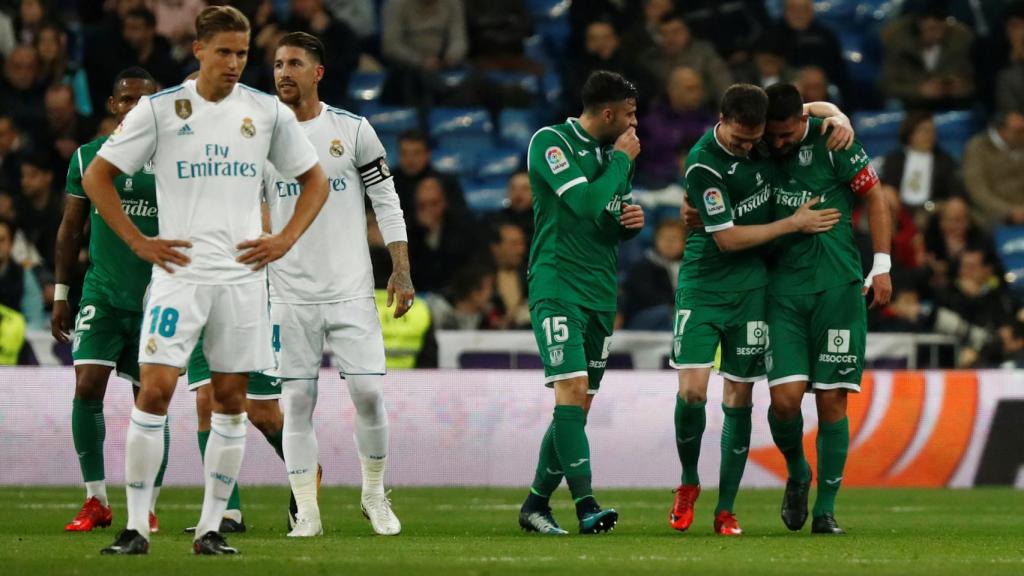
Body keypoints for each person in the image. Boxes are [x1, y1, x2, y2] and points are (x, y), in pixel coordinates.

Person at [84, 6, 328, 555]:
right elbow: (99, 174)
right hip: (180, 277)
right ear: (198, 50)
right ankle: (137, 527)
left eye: (243, 54)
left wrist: (285, 239)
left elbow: (315, 180)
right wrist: (138, 242)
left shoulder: (265, 113)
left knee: (231, 399)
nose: (235, 63)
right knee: (155, 390)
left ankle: (212, 528)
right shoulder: (160, 109)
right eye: (225, 52)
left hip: (241, 281)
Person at [671, 84, 852, 536]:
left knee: (740, 396)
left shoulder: (769, 138)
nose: (751, 148)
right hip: (704, 284)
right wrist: (792, 223)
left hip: (755, 288)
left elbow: (810, 109)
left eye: (756, 139)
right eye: (741, 140)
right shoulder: (703, 162)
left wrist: (841, 116)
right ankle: (689, 482)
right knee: (693, 391)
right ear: (721, 118)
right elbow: (727, 239)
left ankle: (725, 510)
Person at [262, 31, 411, 537]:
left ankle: (373, 494)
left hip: (350, 288)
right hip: (288, 292)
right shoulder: (259, 135)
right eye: (278, 64)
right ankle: (307, 510)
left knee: (368, 394)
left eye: (294, 64)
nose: (283, 72)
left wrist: (401, 267)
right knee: (297, 404)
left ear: (317, 73)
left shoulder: (353, 129)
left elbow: (386, 202)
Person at [759, 83, 892, 535]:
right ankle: (798, 471)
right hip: (781, 293)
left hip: (838, 289)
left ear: (802, 121)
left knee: (832, 400)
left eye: (785, 134)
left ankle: (826, 509)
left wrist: (883, 264)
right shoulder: (756, 141)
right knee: (784, 401)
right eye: (771, 135)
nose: (777, 143)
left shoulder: (834, 141)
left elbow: (875, 197)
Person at [517, 70, 644, 536]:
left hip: (599, 290)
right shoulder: (551, 143)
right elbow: (587, 204)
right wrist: (620, 165)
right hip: (557, 285)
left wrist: (628, 223)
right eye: (629, 115)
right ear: (607, 113)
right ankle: (586, 504)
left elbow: (605, 219)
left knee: (579, 405)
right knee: (569, 390)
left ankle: (535, 504)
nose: (635, 126)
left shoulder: (615, 156)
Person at [50, 67, 166, 534]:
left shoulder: (176, 158)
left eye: (146, 100)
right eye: (128, 100)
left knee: (151, 399)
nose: (137, 107)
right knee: (86, 387)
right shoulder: (89, 158)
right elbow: (70, 229)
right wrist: (62, 294)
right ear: (112, 106)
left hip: (159, 296)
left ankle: (149, 505)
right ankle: (95, 499)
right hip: (102, 291)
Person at [880, 111, 963, 210]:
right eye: (924, 131)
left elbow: (955, 191)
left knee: (956, 206)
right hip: (900, 211)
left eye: (932, 131)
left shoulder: (945, 160)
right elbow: (887, 185)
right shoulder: (894, 159)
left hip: (933, 213)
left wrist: (936, 207)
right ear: (910, 133)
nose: (929, 136)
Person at [962, 111, 1024, 229]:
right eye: (1018, 132)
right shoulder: (978, 147)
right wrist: (1009, 211)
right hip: (994, 214)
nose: (1023, 136)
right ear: (1002, 130)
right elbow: (978, 191)